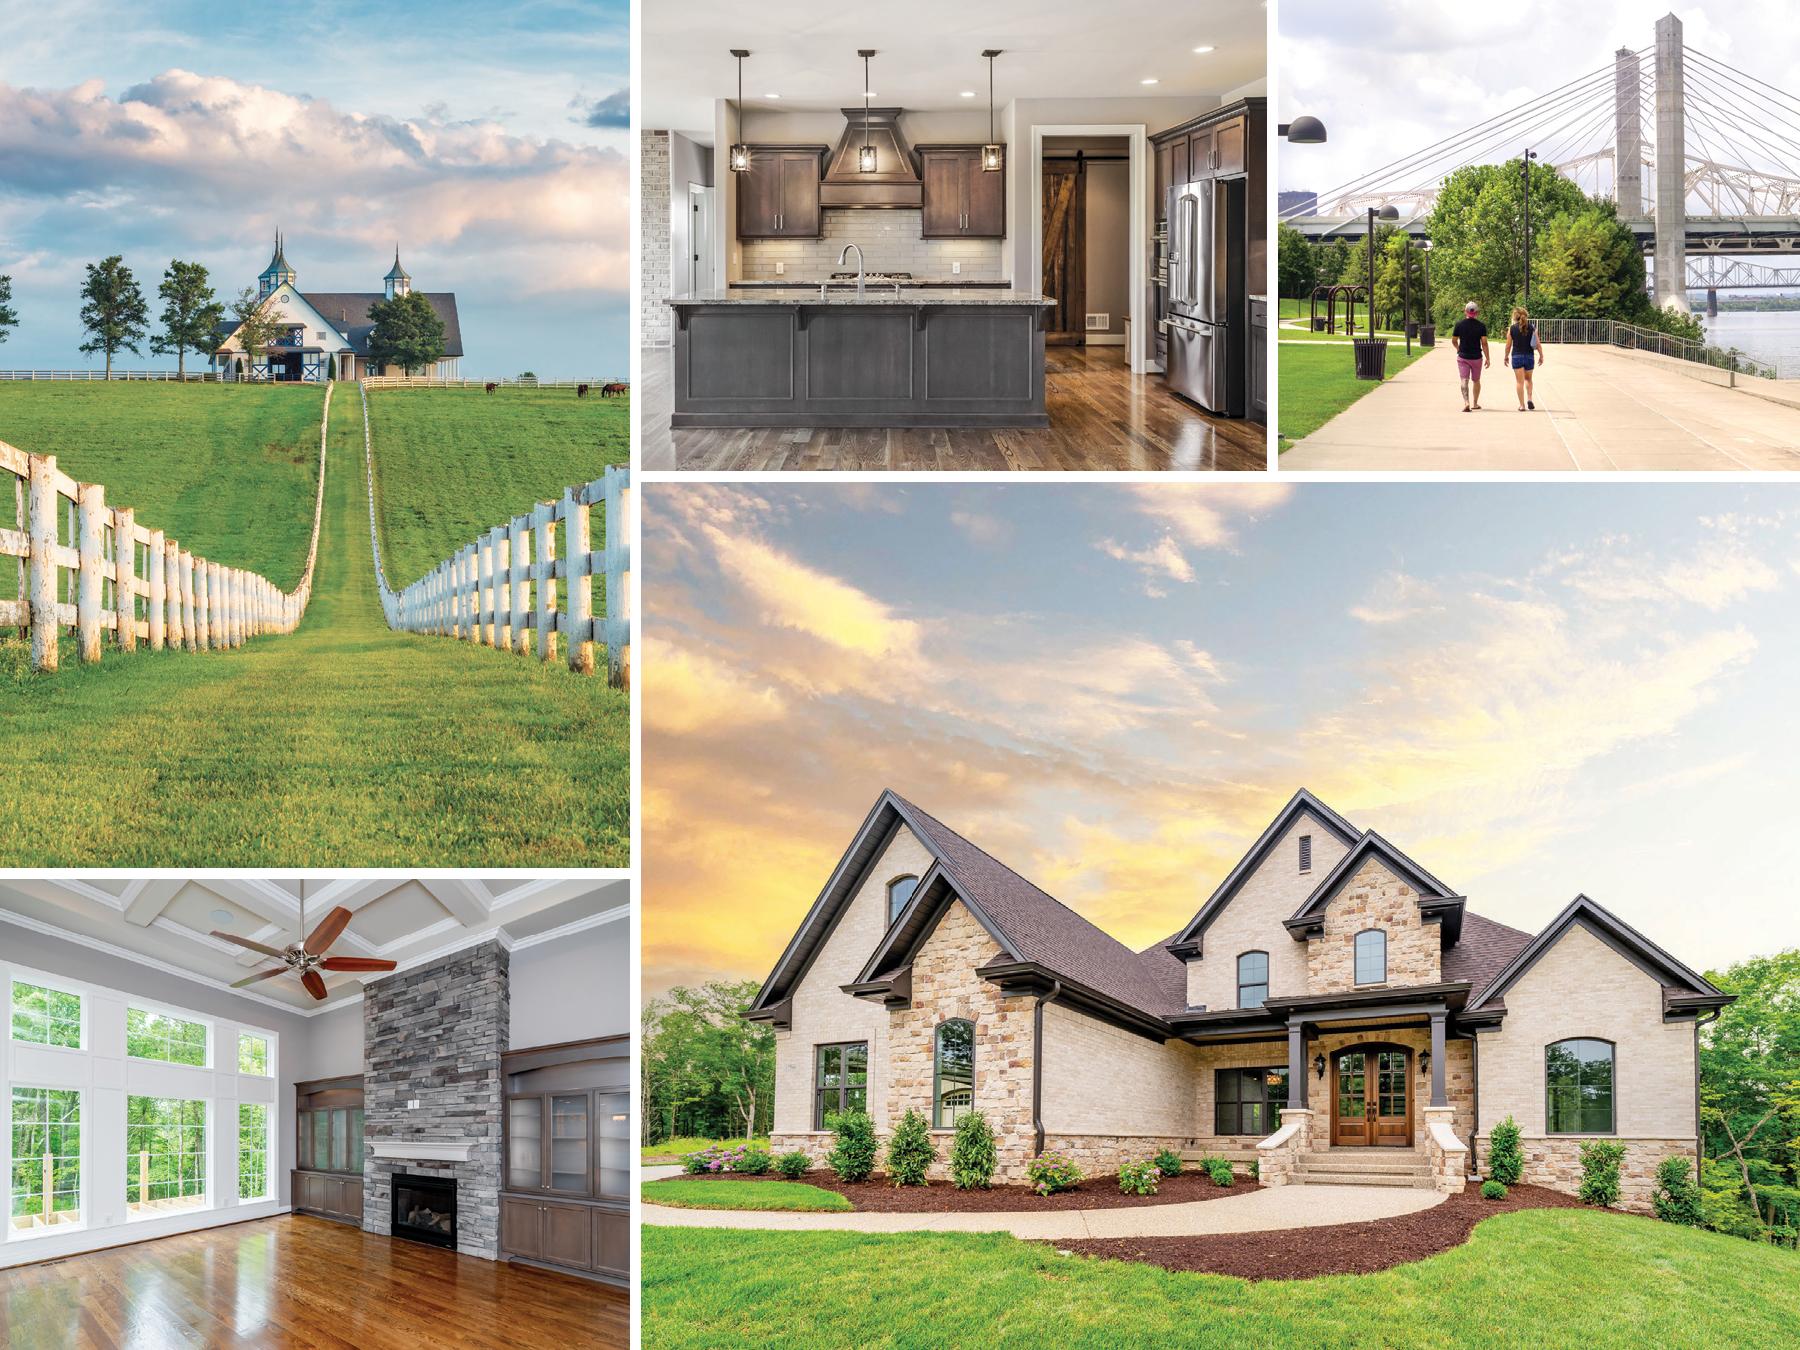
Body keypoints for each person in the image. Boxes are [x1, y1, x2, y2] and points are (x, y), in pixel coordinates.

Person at [1503, 305, 1545, 410]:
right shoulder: (1532, 328)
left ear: (1514, 317)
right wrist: (1541, 355)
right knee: (1528, 379)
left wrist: (1506, 356)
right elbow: (1538, 344)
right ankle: (1529, 399)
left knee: (1519, 382)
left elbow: (1508, 345)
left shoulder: (1512, 329)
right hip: (1529, 356)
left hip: (1516, 356)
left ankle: (1522, 405)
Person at [1450, 301, 1490, 411]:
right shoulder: (1481, 326)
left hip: (1463, 357)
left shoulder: (1459, 325)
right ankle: (1475, 403)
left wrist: (1458, 349)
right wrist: (1488, 358)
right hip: (1477, 357)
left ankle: (1466, 402)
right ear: (1477, 313)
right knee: (1476, 380)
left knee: (1464, 380)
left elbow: (1454, 340)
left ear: (1465, 311)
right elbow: (1484, 342)